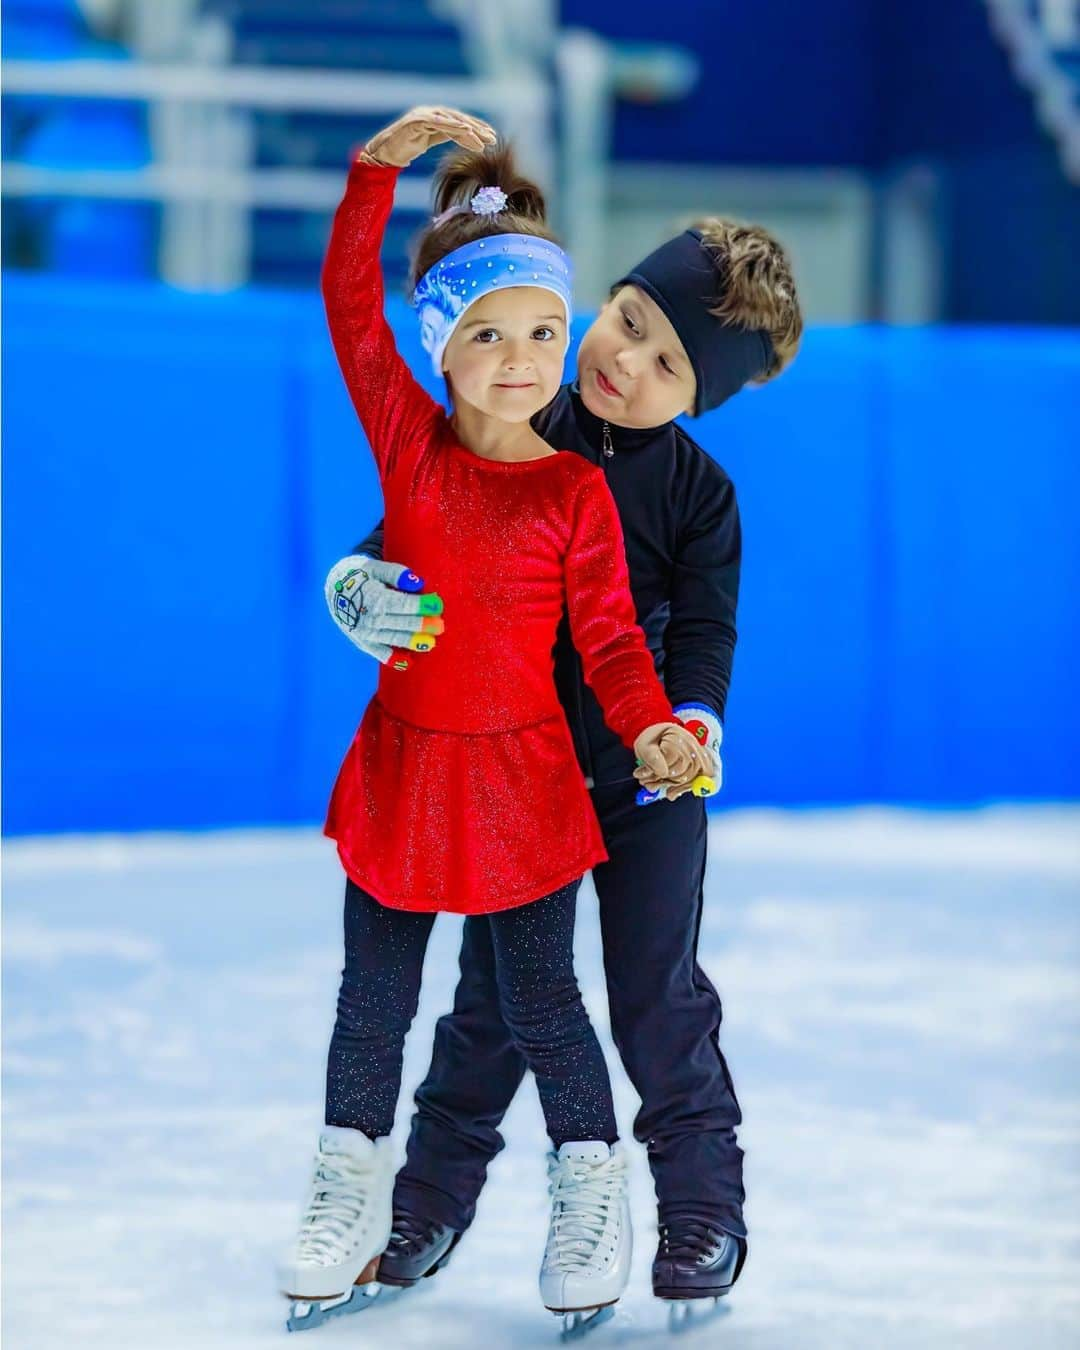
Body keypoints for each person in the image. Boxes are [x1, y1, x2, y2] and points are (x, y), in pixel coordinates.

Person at [331, 143, 804, 1313]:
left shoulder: (702, 499)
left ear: (703, 399)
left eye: (666, 364)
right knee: (494, 1005)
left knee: (655, 995)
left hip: (644, 789)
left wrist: (687, 727)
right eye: (628, 318)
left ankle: (700, 1216)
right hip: (516, 779)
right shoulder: (510, 408)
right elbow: (415, 528)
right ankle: (426, 1205)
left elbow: (704, 635)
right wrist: (363, 583)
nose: (623, 361)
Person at [278, 105, 712, 1333]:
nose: (523, 357)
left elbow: (615, 643)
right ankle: (343, 1192)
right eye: (488, 332)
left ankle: (589, 1190)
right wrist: (376, 172)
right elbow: (348, 308)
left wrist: (653, 730)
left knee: (541, 1004)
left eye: (542, 330)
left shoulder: (577, 489)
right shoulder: (407, 446)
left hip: (525, 782)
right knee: (375, 998)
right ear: (442, 346)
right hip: (406, 773)